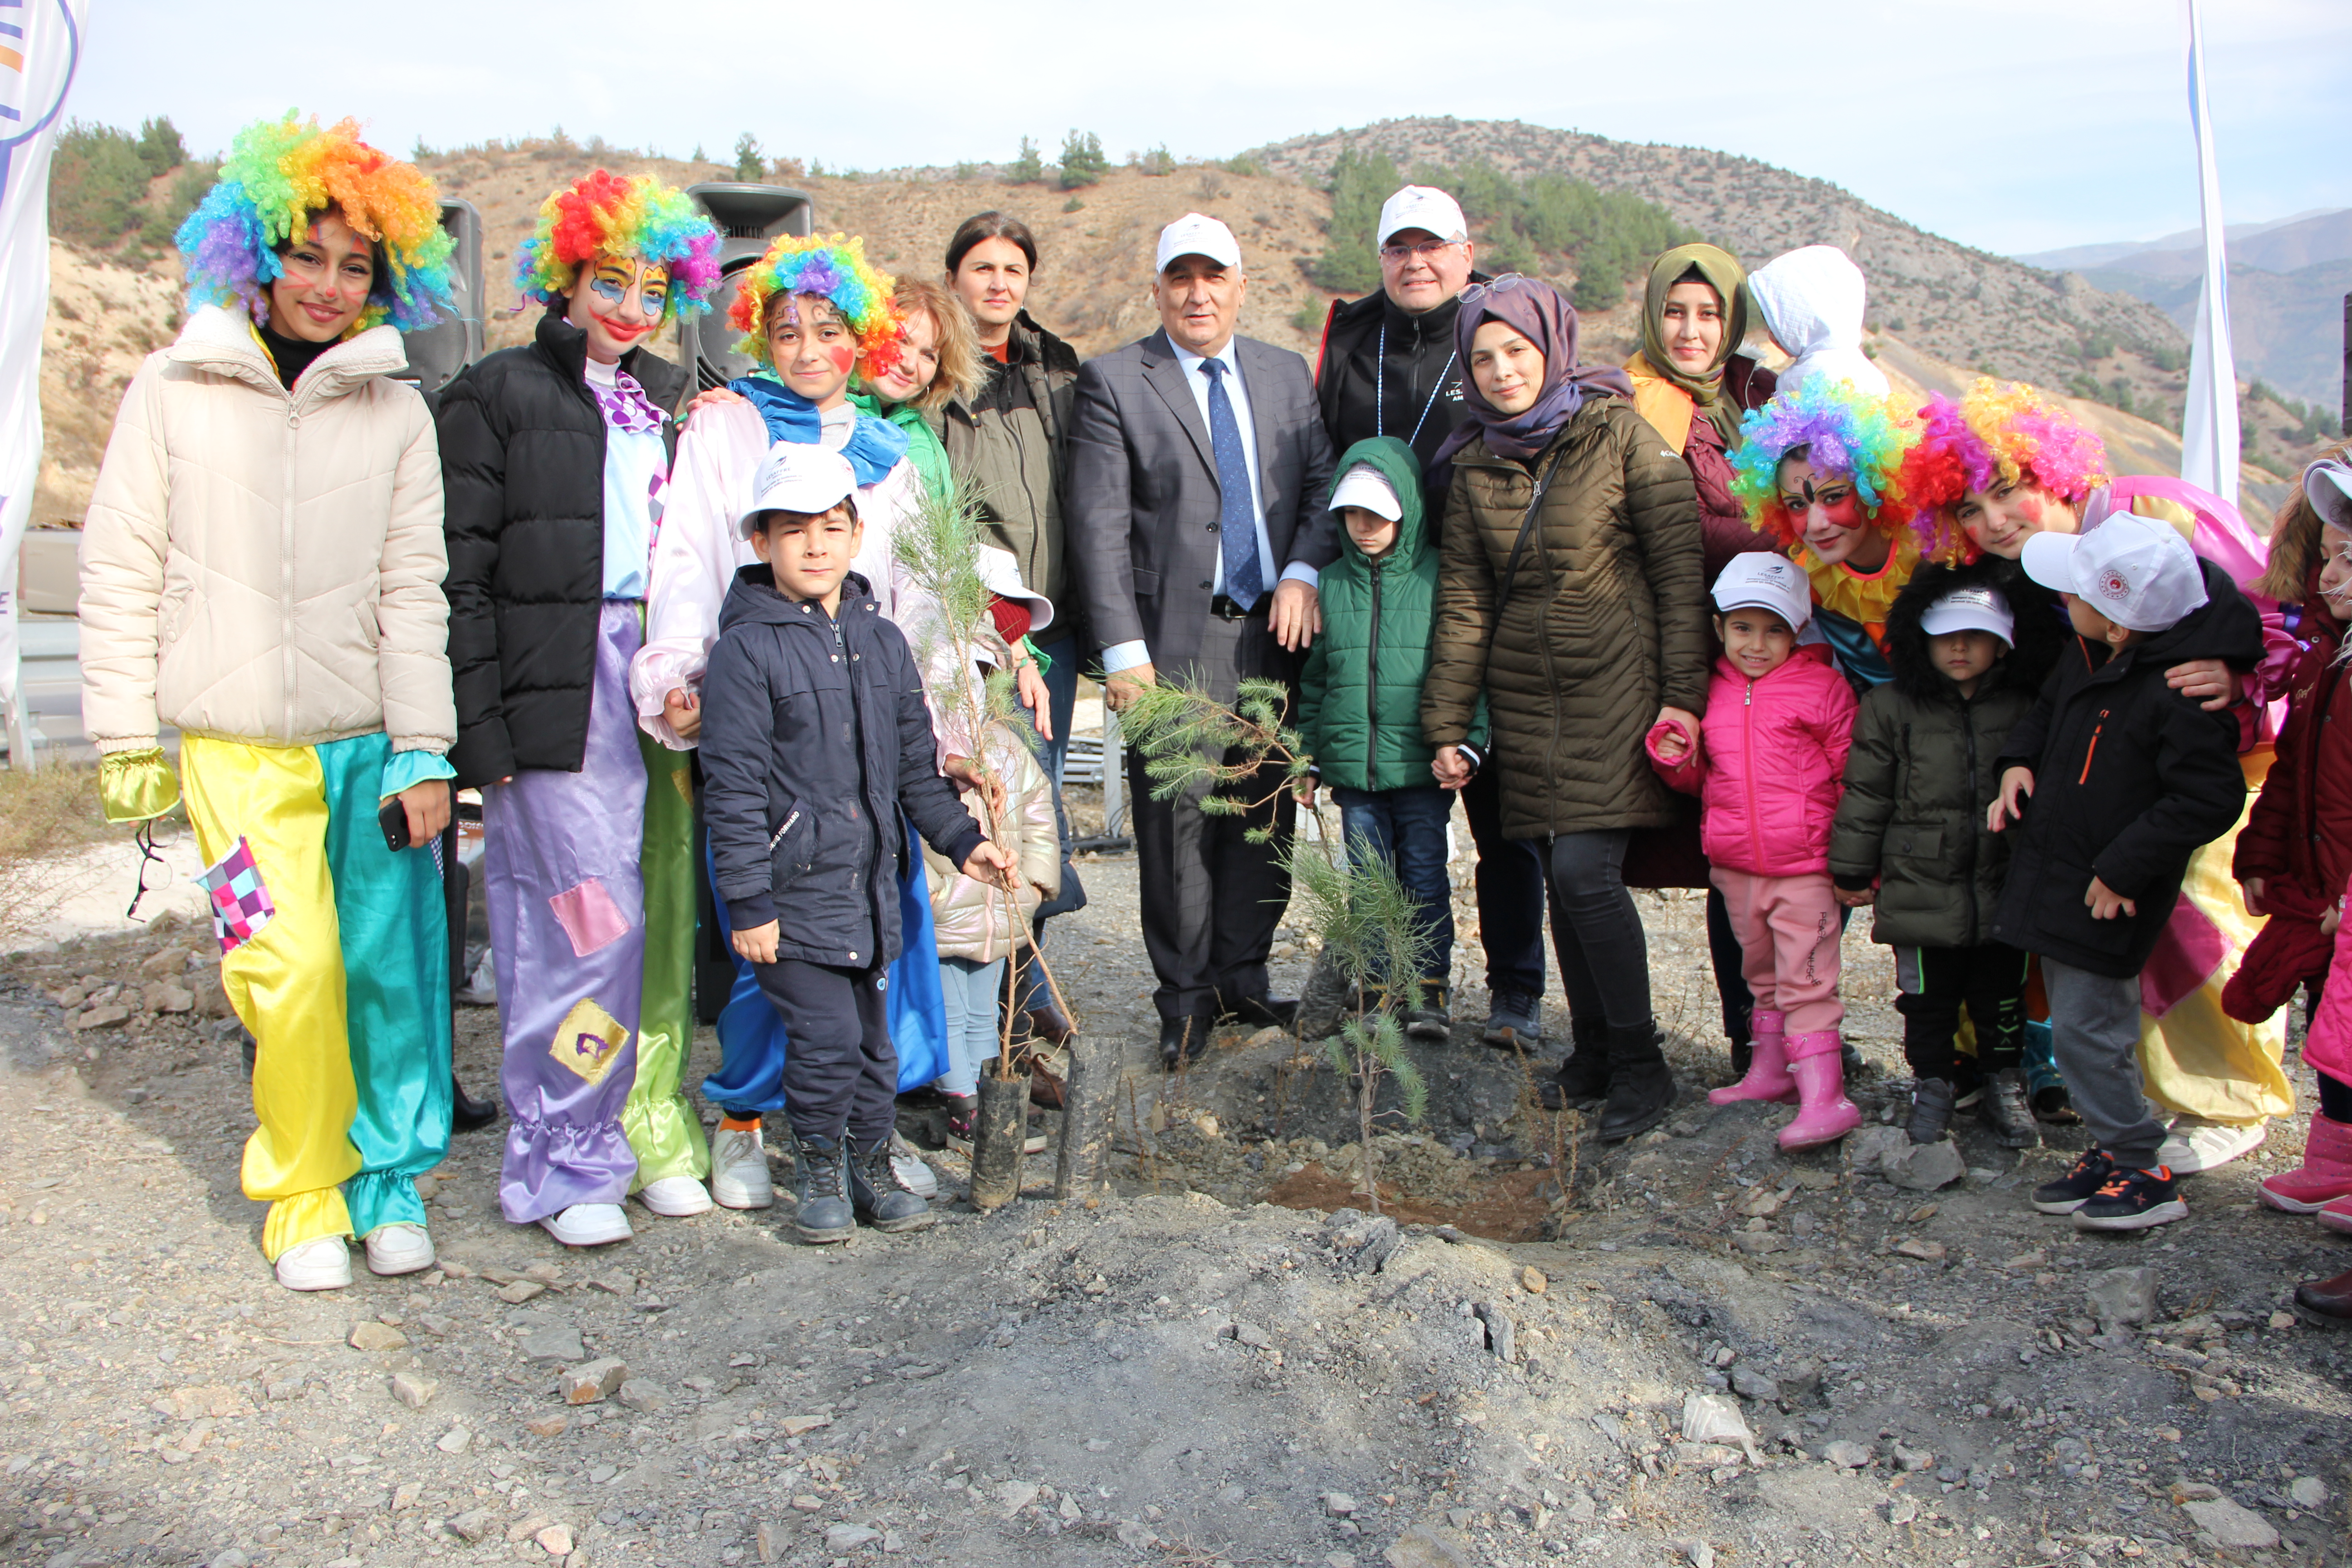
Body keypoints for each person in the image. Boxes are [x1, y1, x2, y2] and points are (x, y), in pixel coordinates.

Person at [80, 113, 458, 1291]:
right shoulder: (169, 388)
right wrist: (121, 733)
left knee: (390, 968)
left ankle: (388, 1182)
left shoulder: (397, 412)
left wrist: (425, 747)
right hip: (234, 755)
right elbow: (119, 560)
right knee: (283, 972)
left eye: (358, 266)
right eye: (309, 258)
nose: (331, 287)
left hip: (369, 749)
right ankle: (303, 1192)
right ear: (253, 255)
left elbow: (415, 591)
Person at [632, 233, 1039, 1208]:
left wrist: (941, 728)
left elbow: (920, 597)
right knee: (764, 935)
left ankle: (866, 1133)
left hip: (865, 733)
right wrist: (684, 671)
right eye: (786, 331)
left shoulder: (887, 450)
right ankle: (741, 1118)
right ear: (760, 337)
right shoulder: (727, 429)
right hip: (766, 724)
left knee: (878, 939)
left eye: (827, 330)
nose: (808, 350)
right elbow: (691, 556)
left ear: (858, 337)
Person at [1901, 379, 2289, 1171]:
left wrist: (2234, 671)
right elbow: (2058, 689)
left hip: (2213, 760)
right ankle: (2140, 1100)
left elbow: (2264, 603)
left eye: (2007, 491)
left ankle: (2226, 1101)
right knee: (2123, 940)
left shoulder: (2156, 513)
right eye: (1968, 508)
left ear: (2054, 472)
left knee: (2196, 929)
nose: (1990, 521)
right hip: (2114, 775)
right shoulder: (2027, 571)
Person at [437, 171, 721, 1247]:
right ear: (565, 273)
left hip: (646, 678)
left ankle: (596, 1140)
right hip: (552, 687)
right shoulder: (495, 392)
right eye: (611, 281)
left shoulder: (654, 402)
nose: (631, 308)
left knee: (641, 923)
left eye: (651, 290)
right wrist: (485, 730)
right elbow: (456, 575)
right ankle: (556, 1159)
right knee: (580, 931)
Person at [699, 444, 1016, 1243]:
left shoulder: (881, 644)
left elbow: (914, 767)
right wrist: (747, 901)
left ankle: (870, 1168)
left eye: (831, 528)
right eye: (793, 529)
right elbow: (731, 788)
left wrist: (962, 840)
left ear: (855, 535)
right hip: (791, 891)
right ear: (760, 541)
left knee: (874, 1046)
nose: (814, 545)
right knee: (825, 1040)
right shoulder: (744, 650)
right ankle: (816, 1170)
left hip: (870, 892)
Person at [1418, 274, 1705, 1142]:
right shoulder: (1473, 462)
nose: (1502, 371)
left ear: (1552, 348)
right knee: (1557, 879)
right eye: (1483, 358)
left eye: (1516, 350)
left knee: (1585, 873)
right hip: (1521, 704)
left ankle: (1641, 1062)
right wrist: (1446, 722)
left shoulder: (1620, 436)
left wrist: (1682, 700)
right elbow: (1465, 600)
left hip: (1617, 689)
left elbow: (1679, 577)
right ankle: (1591, 1054)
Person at [1067, 213, 1338, 1067]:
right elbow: (1098, 524)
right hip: (1170, 646)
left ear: (1239, 286)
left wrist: (1301, 569)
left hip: (1273, 639)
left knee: (1260, 820)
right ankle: (1183, 1000)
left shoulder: (1286, 373)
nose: (1196, 292)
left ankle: (1241, 980)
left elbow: (1322, 485)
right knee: (1176, 827)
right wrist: (1121, 655)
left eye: (1211, 275)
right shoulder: (1115, 380)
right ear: (1156, 290)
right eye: (1179, 277)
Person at [1312, 185, 1548, 1054]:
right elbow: (1319, 463)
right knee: (1389, 833)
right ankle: (1392, 980)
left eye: (1431, 246)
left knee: (1503, 820)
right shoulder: (1349, 335)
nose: (1414, 263)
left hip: (1492, 596)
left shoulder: (1495, 329)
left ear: (1464, 251)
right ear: (1380, 258)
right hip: (1378, 595)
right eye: (1397, 248)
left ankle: (1515, 993)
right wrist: (1313, 565)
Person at [1994, 517, 2263, 1231]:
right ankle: (2115, 1149)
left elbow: (2207, 796)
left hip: (2105, 891)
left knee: (2092, 1031)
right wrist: (2016, 763)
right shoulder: (2087, 656)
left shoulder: (2178, 692)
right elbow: (2048, 714)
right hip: (2059, 872)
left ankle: (2143, 1165)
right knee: (2083, 1023)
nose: (2063, 601)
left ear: (2118, 624)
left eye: (2076, 593)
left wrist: (2123, 868)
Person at [1829, 565, 2060, 1148]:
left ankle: (2003, 1084)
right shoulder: (1890, 706)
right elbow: (1867, 792)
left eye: (1976, 635)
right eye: (1945, 635)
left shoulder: (2026, 706)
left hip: (2002, 879)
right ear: (1920, 638)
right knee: (1926, 999)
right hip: (1919, 878)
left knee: (2001, 993)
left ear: (2004, 640)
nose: (1960, 648)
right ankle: (1932, 1085)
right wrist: (1853, 870)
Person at [1623, 241, 1782, 1076]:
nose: (1689, 331)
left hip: (1780, 651)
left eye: (1708, 312)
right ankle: (1737, 1034)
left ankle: (1791, 1035)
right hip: (1688, 645)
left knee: (1775, 851)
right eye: (1675, 312)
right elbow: (1671, 525)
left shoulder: (1760, 393)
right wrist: (1788, 533)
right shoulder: (1633, 401)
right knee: (1726, 843)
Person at [1648, 554, 1860, 1149]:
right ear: (1719, 628)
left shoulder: (1823, 688)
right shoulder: (1710, 692)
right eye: (1743, 628)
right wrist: (1675, 760)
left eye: (1775, 631)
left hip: (1807, 868)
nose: (1758, 644)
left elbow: (1852, 774)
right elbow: (1703, 780)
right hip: (1737, 867)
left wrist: (1853, 856)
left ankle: (1826, 1094)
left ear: (1798, 632)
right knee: (1761, 973)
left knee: (1809, 979)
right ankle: (1770, 1072)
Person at [940, 213, 1087, 1046]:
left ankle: (1025, 987)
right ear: (955, 276)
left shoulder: (1055, 370)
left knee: (1037, 811)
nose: (998, 283)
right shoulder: (933, 371)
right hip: (976, 629)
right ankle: (982, 1006)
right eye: (981, 267)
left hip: (1049, 631)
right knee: (981, 809)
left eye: (1012, 269)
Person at [1295, 437, 1479, 1038]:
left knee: (1425, 878)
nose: (1365, 526)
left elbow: (1466, 670)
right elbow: (1318, 681)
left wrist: (1468, 741)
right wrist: (1309, 757)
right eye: (1352, 513)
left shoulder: (1438, 580)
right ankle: (1376, 992)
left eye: (1378, 514)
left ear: (1408, 512)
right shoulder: (1331, 583)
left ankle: (1430, 991)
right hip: (1356, 776)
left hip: (1421, 772)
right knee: (1369, 887)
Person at [2235, 454, 2352, 1221]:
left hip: (2341, 890)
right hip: (2317, 883)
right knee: (2330, 1028)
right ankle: (2332, 1160)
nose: (2326, 574)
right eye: (2326, 556)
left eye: (2344, 558)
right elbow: (2290, 774)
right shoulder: (2325, 665)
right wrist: (2260, 854)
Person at [1728, 377, 1923, 691]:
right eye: (1796, 505)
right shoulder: (1813, 579)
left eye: (1833, 497)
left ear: (1872, 487)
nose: (1816, 523)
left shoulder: (1932, 547)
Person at [922, 710, 1062, 1137]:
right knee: (949, 1014)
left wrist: (1034, 886)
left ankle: (987, 1098)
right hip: (945, 914)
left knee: (984, 1013)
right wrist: (930, 896)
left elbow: (1040, 815)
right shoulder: (921, 746)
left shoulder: (1005, 743)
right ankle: (962, 1105)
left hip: (1001, 908)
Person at [1744, 245, 1890, 398]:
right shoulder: (1871, 372)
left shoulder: (1805, 376)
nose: (1771, 336)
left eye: (1775, 324)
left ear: (1799, 321)